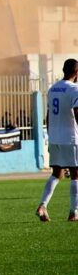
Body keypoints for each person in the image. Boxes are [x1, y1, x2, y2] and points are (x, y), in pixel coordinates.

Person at [36, 58, 78, 222]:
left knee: (57, 173)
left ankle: (42, 205)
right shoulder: (74, 89)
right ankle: (74, 212)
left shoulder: (53, 88)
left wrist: (50, 135)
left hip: (55, 137)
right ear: (76, 72)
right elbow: (76, 111)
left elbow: (48, 116)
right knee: (75, 174)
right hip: (71, 137)